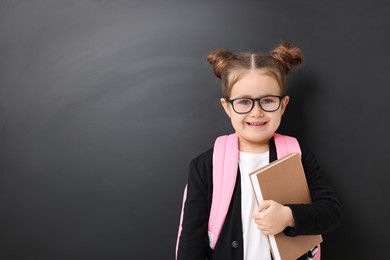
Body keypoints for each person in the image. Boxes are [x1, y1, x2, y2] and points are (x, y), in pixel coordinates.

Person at [176, 42, 342, 260]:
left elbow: (331, 212)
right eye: (244, 102)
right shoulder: (206, 165)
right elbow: (191, 238)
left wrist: (289, 216)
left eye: (267, 101)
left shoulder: (298, 155)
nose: (257, 112)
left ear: (282, 105)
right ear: (227, 107)